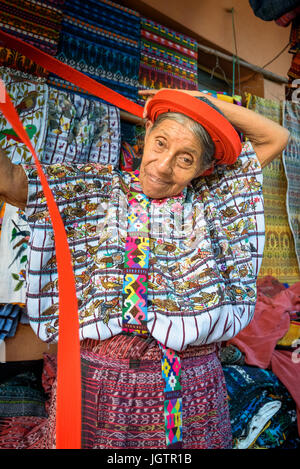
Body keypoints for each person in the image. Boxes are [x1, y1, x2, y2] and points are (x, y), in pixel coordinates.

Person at [0, 88, 290, 449]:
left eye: (186, 159)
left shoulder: (211, 201)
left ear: (204, 169)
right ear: (147, 130)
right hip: (104, 387)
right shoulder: (94, 190)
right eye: (161, 143)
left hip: (192, 392)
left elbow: (278, 136)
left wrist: (199, 103)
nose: (164, 166)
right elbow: (10, 180)